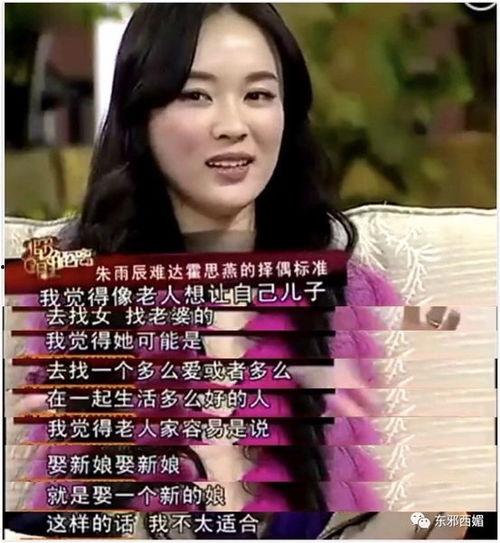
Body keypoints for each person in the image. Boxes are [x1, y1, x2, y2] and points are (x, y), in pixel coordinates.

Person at [7, 3, 466, 539]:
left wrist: (430, 520)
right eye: (196, 95)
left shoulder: (353, 300)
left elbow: (448, 506)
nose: (233, 126)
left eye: (258, 95)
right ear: (142, 114)